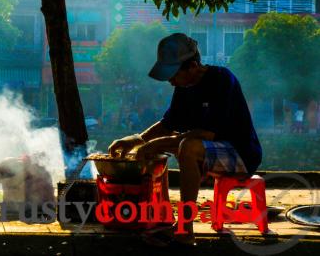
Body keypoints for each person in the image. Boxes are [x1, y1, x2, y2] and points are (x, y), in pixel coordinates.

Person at [108, 33, 262, 247]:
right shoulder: (183, 87)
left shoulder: (221, 79)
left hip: (241, 153)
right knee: (163, 147)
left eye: (174, 74)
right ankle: (161, 217)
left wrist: (156, 144)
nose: (171, 81)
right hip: (210, 151)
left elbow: (207, 134)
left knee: (187, 147)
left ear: (193, 66)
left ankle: (185, 230)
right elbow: (169, 123)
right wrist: (137, 140)